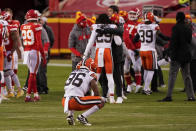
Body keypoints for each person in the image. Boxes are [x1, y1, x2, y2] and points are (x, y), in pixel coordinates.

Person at [83, 13, 122, 103]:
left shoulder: (96, 27)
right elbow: (118, 43)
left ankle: (94, 96)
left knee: (96, 76)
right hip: (107, 51)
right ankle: (112, 98)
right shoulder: (112, 26)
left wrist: (85, 54)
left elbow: (90, 42)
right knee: (110, 76)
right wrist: (114, 32)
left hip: (98, 51)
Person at [160, 12, 195, 101]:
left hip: (177, 55)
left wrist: (168, 52)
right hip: (186, 55)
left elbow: (173, 42)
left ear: (177, 18)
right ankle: (191, 96)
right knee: (187, 76)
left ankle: (169, 96)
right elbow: (189, 41)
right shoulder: (188, 28)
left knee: (172, 76)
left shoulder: (176, 28)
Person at [134, 12, 170, 95]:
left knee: (146, 69)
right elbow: (163, 37)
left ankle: (145, 87)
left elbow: (135, 40)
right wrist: (171, 38)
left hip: (142, 51)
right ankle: (146, 88)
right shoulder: (154, 26)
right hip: (150, 50)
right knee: (151, 70)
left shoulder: (139, 26)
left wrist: (143, 39)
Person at [62, 58, 105, 126]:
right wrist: (95, 99)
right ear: (90, 66)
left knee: (75, 94)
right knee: (102, 100)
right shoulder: (90, 74)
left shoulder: (73, 72)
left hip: (64, 101)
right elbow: (96, 93)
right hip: (76, 101)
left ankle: (70, 115)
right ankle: (82, 117)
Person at [21, 9, 47, 102]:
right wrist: (43, 55)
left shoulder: (23, 26)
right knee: (33, 74)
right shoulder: (37, 26)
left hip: (26, 52)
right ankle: (28, 96)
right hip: (34, 51)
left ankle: (35, 94)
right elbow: (39, 43)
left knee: (32, 73)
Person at [1, 11, 24, 98]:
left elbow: (15, 41)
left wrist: (11, 52)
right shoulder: (7, 27)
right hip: (4, 51)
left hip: (8, 51)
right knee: (5, 72)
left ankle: (19, 89)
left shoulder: (11, 28)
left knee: (9, 71)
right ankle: (10, 91)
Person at [123, 8, 142, 93]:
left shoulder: (140, 25)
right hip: (128, 49)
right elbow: (126, 38)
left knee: (137, 68)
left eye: (134, 14)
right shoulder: (125, 24)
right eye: (130, 13)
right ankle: (130, 85)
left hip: (138, 48)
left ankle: (138, 85)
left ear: (138, 14)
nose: (132, 15)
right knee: (126, 69)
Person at [186, 14, 196, 93]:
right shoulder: (189, 27)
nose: (186, 21)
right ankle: (189, 87)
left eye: (187, 19)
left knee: (192, 71)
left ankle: (193, 88)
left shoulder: (191, 28)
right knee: (188, 71)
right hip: (190, 51)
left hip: (192, 52)